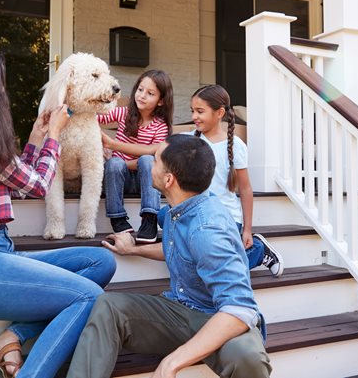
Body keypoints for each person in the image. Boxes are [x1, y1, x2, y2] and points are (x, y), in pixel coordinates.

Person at [0, 44, 116, 378]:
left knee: (100, 261)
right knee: (88, 297)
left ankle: (12, 336)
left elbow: (17, 180)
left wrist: (35, 138)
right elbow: (37, 186)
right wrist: (55, 133)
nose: (3, 89)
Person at [66, 134, 272, 378]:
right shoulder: (178, 208)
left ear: (169, 179)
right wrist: (132, 248)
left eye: (154, 161)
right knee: (108, 306)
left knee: (248, 358)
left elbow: (240, 309)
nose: (149, 165)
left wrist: (172, 362)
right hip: (179, 310)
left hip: (218, 318)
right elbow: (180, 249)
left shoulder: (208, 229)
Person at [189, 85, 284, 277]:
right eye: (193, 111)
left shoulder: (235, 146)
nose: (194, 117)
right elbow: (155, 149)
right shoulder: (190, 140)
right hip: (199, 215)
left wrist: (247, 230)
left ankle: (257, 251)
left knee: (216, 270)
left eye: (200, 111)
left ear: (220, 113)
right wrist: (115, 144)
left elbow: (246, 189)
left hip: (227, 218)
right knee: (165, 216)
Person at [98, 69, 173, 242]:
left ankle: (149, 219)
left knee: (147, 161)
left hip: (145, 182)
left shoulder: (160, 126)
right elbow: (93, 119)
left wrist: (114, 146)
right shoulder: (123, 113)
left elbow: (154, 153)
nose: (142, 95)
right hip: (118, 179)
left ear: (161, 101)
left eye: (150, 93)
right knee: (115, 164)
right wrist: (98, 142)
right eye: (140, 89)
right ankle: (117, 217)